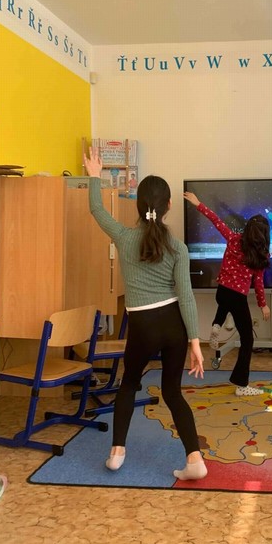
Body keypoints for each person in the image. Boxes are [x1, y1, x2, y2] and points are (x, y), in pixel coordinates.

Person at [84, 148, 207, 481]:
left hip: (142, 326)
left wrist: (94, 176)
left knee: (128, 385)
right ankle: (195, 459)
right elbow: (186, 296)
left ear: (139, 205)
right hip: (174, 327)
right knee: (172, 393)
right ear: (169, 205)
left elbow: (96, 209)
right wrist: (195, 342)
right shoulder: (178, 247)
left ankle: (116, 453)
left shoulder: (124, 238)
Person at [183, 191, 271, 396]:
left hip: (222, 292)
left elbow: (216, 221)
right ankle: (242, 385)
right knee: (248, 339)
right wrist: (263, 305)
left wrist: (198, 203)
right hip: (237, 297)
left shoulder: (233, 239)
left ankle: (216, 325)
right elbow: (258, 284)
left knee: (225, 304)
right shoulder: (260, 255)